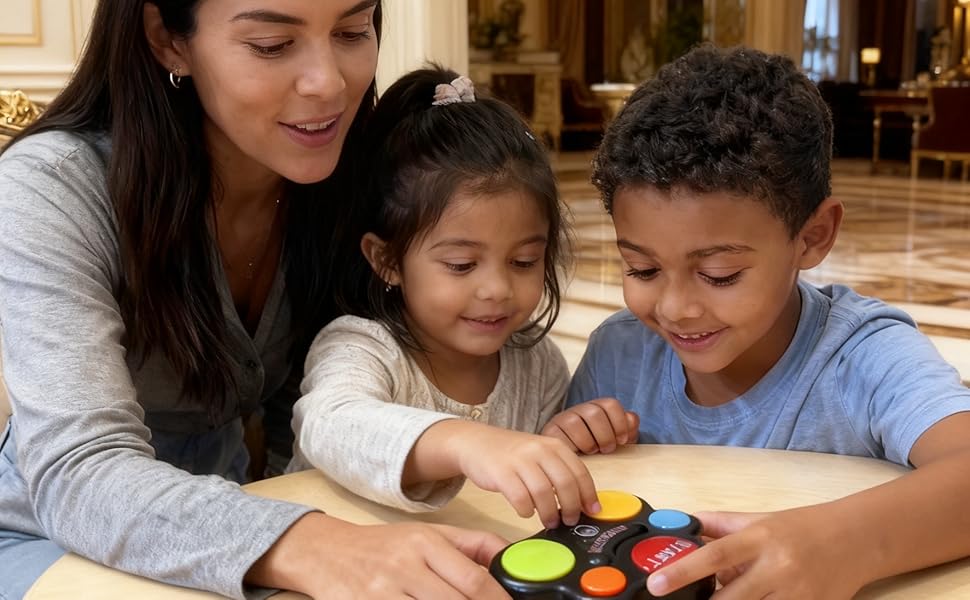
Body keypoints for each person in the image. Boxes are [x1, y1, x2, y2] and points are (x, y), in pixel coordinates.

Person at [0, 2, 512, 599]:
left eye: (352, 31)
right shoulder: (53, 188)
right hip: (49, 541)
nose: (330, 82)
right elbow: (81, 473)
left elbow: (308, 409)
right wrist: (312, 547)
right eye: (272, 44)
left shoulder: (339, 180)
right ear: (169, 40)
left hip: (242, 529)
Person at [543, 45, 970, 598]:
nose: (675, 308)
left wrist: (841, 545)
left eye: (720, 274)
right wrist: (561, 444)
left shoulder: (862, 355)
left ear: (812, 237)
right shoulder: (618, 354)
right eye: (641, 268)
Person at [288, 66, 601, 531]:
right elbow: (329, 423)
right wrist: (466, 442)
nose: (496, 289)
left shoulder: (538, 363)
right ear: (387, 259)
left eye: (524, 262)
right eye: (461, 265)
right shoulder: (362, 347)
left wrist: (572, 434)